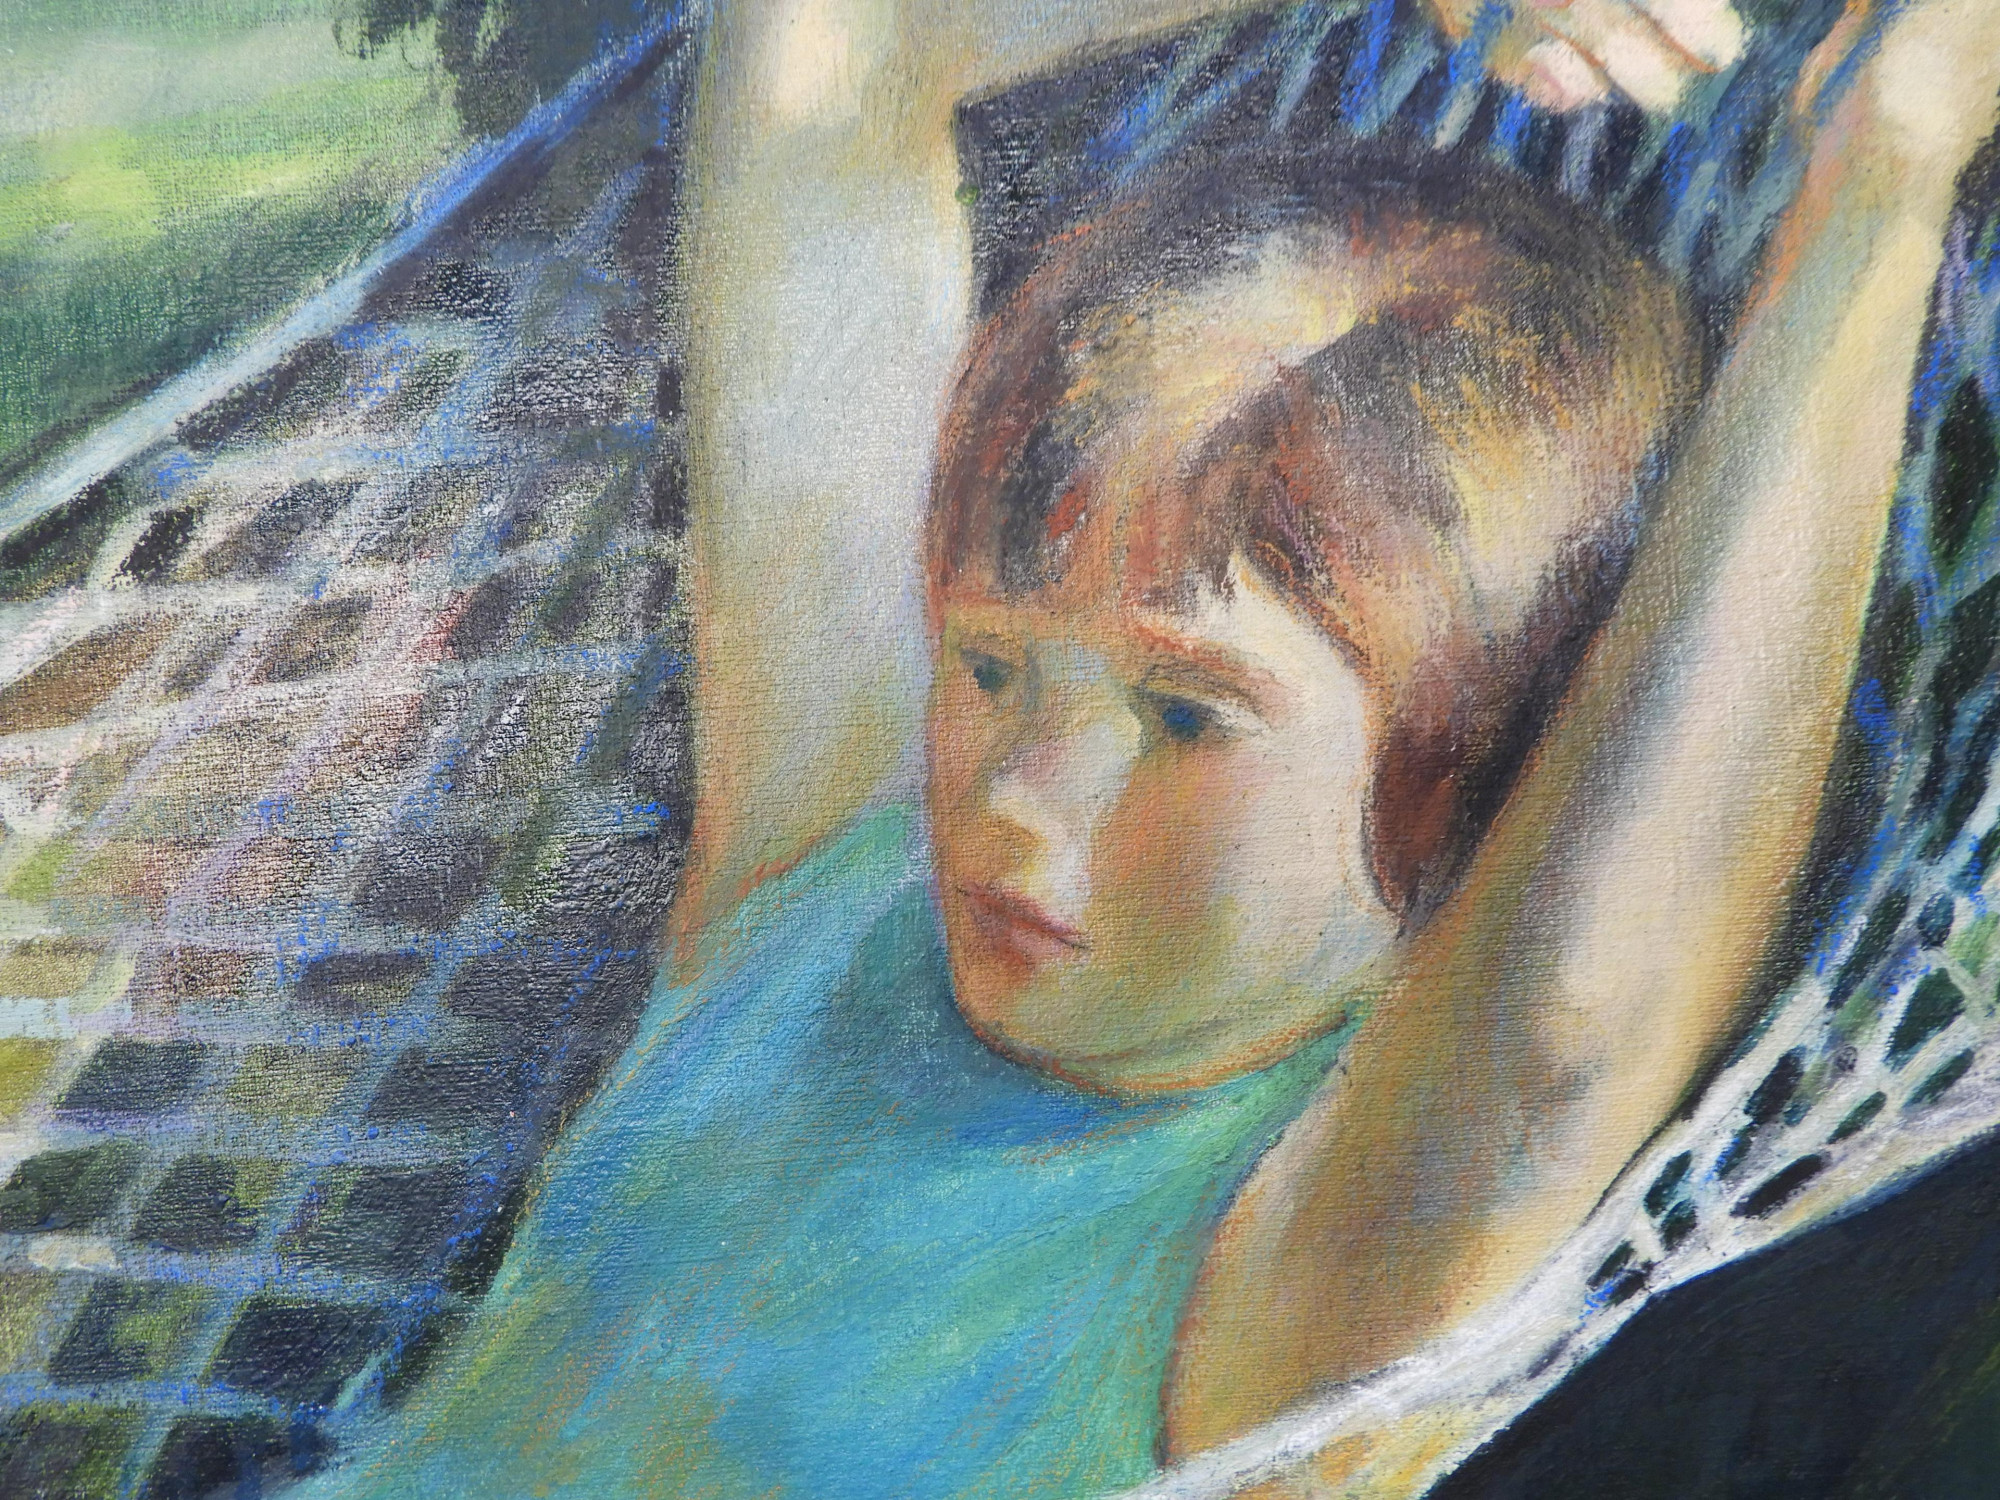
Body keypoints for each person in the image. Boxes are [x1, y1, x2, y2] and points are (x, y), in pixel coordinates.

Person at [302, 0, 2000, 1495]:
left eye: (1185, 716)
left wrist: (1885, 177)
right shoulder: (826, 885)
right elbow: (827, 59)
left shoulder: (1296, 1268)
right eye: (989, 664)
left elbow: (1575, 1019)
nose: (1014, 801)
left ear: (1471, 765)